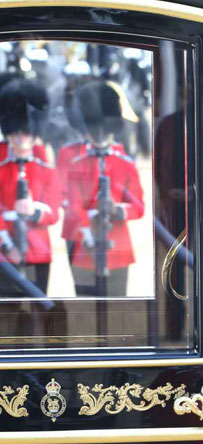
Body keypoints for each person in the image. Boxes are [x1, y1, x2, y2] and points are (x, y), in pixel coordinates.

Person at [63, 80, 144, 296]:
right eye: (94, 131)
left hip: (117, 248)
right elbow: (71, 204)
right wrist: (88, 221)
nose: (99, 136)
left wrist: (117, 209)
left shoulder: (124, 162)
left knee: (118, 315)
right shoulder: (77, 162)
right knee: (86, 314)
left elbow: (139, 207)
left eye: (104, 131)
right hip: (85, 246)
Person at [0, 78, 60, 295]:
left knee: (38, 312)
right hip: (4, 253)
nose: (21, 139)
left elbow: (53, 213)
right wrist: (7, 245)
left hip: (38, 251)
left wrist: (34, 211)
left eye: (26, 133)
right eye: (15, 133)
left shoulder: (46, 169)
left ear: (35, 133)